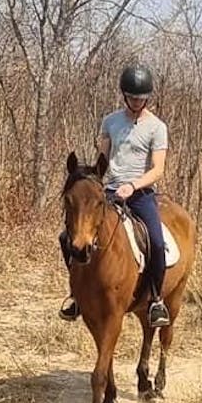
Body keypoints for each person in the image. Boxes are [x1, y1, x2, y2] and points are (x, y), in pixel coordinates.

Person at [60, 63, 171, 328]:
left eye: (141, 98)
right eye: (132, 97)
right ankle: (77, 295)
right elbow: (104, 160)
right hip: (109, 192)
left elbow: (158, 169)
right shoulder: (110, 122)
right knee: (67, 237)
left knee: (155, 241)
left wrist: (133, 186)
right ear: (124, 95)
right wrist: (92, 179)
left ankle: (155, 299)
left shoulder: (157, 127)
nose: (136, 102)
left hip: (140, 193)